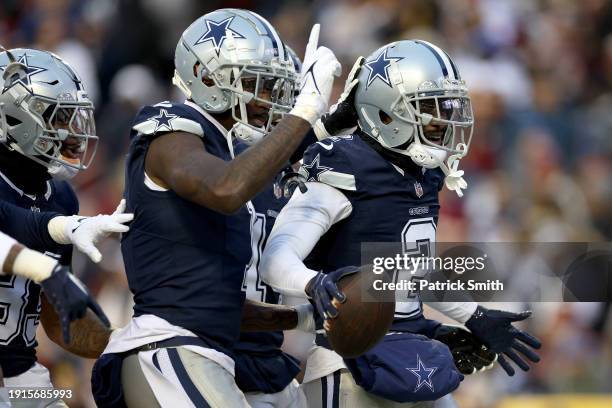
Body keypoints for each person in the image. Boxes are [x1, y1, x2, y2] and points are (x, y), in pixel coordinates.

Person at [260, 40, 541, 407]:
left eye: (447, 107)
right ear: (386, 113)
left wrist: (475, 316)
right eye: (429, 108)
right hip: (349, 363)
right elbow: (275, 257)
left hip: (410, 353)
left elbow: (411, 271)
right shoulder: (344, 167)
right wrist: (312, 283)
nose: (443, 121)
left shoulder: (422, 173)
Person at [93, 8, 340, 408]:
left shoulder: (232, 152)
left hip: (221, 353)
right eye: (257, 85)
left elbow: (216, 302)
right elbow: (225, 188)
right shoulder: (172, 126)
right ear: (207, 77)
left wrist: (301, 317)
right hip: (171, 344)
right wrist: (305, 111)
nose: (268, 100)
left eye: (276, 88)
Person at [0, 47, 114, 406]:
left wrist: (129, 342)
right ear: (15, 116)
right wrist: (60, 231)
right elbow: (14, 223)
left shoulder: (61, 196)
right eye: (59, 117)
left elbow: (56, 318)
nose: (72, 131)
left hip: (23, 381)